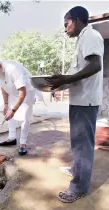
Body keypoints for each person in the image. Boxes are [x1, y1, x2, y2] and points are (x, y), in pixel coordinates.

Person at [48, 6, 104, 203]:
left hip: (85, 101)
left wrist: (67, 78)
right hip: (80, 100)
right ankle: (77, 170)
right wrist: (61, 83)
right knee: (78, 142)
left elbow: (95, 66)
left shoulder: (90, 36)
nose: (65, 29)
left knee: (82, 144)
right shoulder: (83, 39)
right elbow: (79, 75)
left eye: (66, 24)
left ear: (77, 19)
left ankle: (79, 187)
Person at [0, 58, 36, 156]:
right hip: (13, 91)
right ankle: (12, 138)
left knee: (25, 117)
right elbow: (3, 87)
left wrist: (13, 110)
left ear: (0, 66)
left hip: (27, 91)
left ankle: (23, 143)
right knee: (8, 111)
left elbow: (23, 92)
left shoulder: (12, 69)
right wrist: (6, 105)